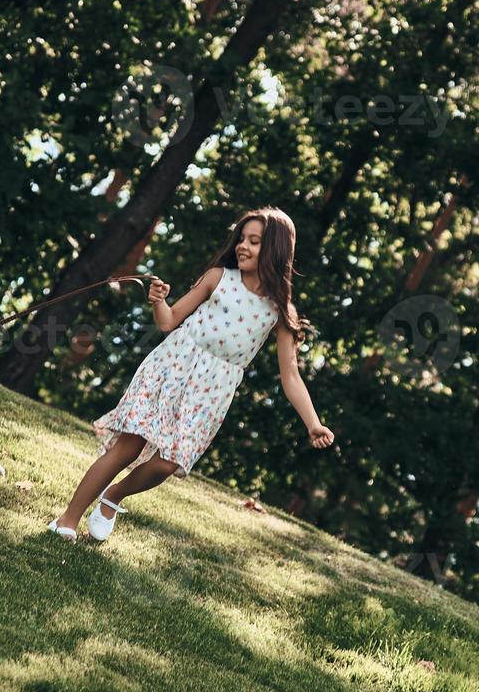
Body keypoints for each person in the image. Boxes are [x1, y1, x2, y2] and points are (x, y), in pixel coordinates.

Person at [48, 207, 334, 542]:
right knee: (128, 446)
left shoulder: (280, 311)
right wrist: (158, 301)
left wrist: (313, 424)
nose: (242, 246)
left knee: (168, 463)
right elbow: (168, 321)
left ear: (275, 250)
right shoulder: (218, 277)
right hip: (173, 365)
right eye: (241, 238)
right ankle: (66, 520)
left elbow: (291, 376)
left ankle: (113, 496)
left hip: (212, 390)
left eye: (254, 241)